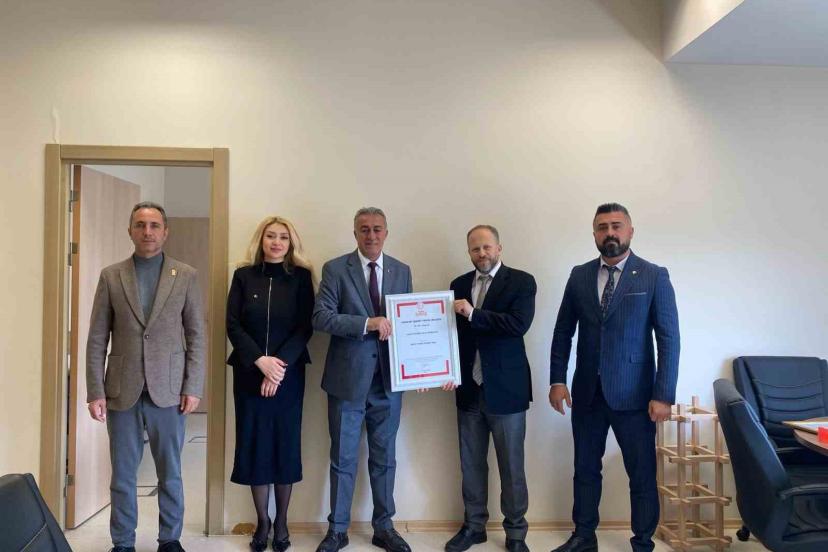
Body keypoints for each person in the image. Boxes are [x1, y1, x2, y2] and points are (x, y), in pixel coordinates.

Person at [548, 203, 680, 552]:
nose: (610, 232)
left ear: (630, 231)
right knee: (585, 469)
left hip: (635, 396)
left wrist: (663, 394)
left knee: (641, 474)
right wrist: (557, 380)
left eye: (616, 226)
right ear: (594, 234)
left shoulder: (653, 275)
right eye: (602, 227)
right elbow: (563, 331)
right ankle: (583, 536)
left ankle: (643, 542)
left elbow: (668, 338)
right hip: (587, 393)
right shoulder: (579, 275)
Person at [86, 202, 205, 552]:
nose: (147, 232)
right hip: (121, 390)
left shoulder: (185, 275)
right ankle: (123, 542)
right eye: (140, 225)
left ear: (165, 232)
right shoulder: (111, 276)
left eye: (154, 225)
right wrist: (95, 390)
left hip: (169, 390)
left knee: (170, 472)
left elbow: (196, 335)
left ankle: (170, 539)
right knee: (123, 474)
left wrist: (193, 386)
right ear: (130, 231)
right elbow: (97, 337)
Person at [312, 207, 413, 552]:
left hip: (389, 383)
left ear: (387, 232)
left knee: (385, 459)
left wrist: (421, 369)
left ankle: (384, 528)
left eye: (377, 229)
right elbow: (321, 317)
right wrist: (366, 324)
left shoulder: (402, 271)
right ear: (354, 233)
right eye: (364, 229)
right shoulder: (335, 269)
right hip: (347, 382)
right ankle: (337, 530)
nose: (371, 235)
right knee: (343, 458)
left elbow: (408, 326)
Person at [226, 216, 315, 552]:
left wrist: (277, 368)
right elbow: (233, 324)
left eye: (283, 237)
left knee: (284, 444)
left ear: (291, 244)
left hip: (289, 375)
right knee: (255, 445)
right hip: (249, 373)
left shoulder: (301, 278)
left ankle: (282, 522)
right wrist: (260, 361)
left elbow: (305, 327)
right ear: (261, 240)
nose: (277, 242)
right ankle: (263, 520)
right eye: (271, 236)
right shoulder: (243, 276)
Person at [446, 225, 536, 552]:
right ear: (469, 252)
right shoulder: (457, 285)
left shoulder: (522, 281)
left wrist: (474, 314)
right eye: (475, 249)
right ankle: (474, 526)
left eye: (486, 247)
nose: (481, 254)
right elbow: (450, 335)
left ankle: (516, 532)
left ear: (499, 248)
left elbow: (517, 325)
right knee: (471, 464)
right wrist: (444, 368)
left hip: (507, 390)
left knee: (511, 466)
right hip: (468, 389)